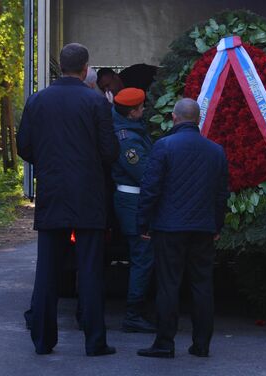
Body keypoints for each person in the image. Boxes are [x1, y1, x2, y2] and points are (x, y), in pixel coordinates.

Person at [16, 43, 119, 356]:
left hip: (52, 192)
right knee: (90, 269)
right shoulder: (95, 102)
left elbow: (24, 147)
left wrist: (48, 163)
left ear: (60, 66)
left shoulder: (37, 101)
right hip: (88, 194)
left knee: (47, 270)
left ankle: (43, 340)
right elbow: (110, 152)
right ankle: (94, 341)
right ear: (85, 68)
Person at [136, 98, 229, 358]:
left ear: (174, 118)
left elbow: (150, 189)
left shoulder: (163, 146)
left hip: (169, 227)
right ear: (197, 119)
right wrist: (217, 225)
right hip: (203, 227)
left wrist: (143, 223)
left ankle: (165, 343)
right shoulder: (216, 151)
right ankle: (201, 345)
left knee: (168, 285)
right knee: (202, 286)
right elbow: (221, 194)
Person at [110, 87, 156, 333]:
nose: (144, 110)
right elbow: (144, 174)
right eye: (141, 108)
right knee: (142, 258)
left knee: (143, 257)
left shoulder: (131, 130)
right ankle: (134, 313)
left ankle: (138, 309)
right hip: (133, 203)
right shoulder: (127, 138)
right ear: (131, 113)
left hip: (134, 202)